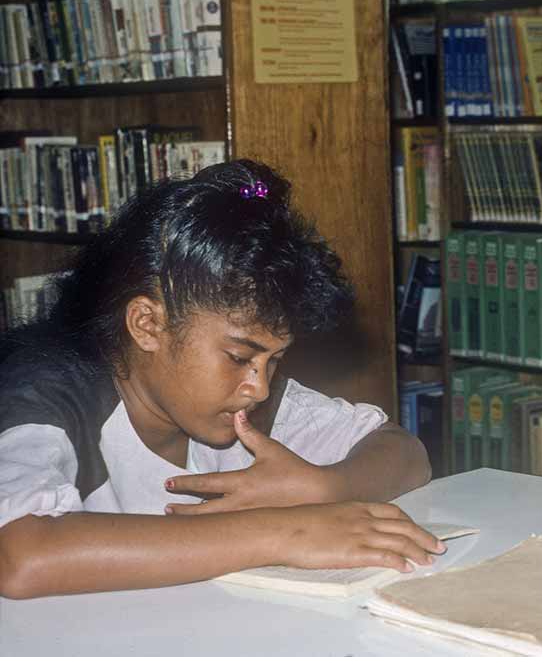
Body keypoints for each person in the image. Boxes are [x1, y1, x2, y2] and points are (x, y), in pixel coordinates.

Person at [0, 160, 442, 599]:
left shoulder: (248, 403)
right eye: (238, 356)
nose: (260, 386)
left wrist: (326, 486)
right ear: (148, 325)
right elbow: (20, 556)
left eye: (275, 360)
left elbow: (406, 452)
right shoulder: (43, 391)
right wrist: (285, 532)